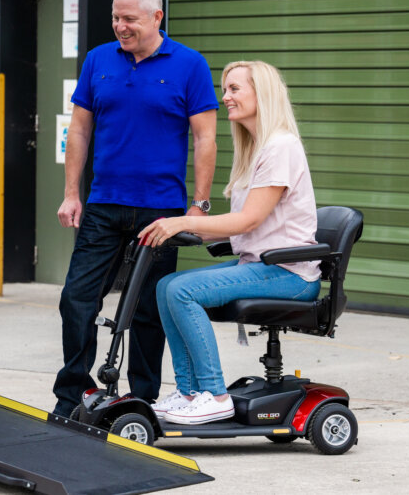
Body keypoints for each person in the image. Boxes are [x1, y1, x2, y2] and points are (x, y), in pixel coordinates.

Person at [53, 0, 219, 418]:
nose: (120, 27)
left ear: (156, 16)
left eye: (129, 19)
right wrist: (72, 194)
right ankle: (73, 394)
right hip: (105, 203)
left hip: (161, 210)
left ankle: (142, 398)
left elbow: (205, 139)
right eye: (115, 17)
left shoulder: (190, 64)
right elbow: (81, 129)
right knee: (77, 299)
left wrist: (198, 206)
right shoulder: (98, 61)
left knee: (149, 310)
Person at [137, 60, 321, 425]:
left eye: (235, 89)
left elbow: (249, 219)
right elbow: (244, 226)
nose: (226, 98)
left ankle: (214, 394)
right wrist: (177, 228)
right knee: (165, 286)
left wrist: (184, 221)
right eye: (226, 89)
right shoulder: (256, 148)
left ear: (261, 93)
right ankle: (189, 392)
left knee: (182, 291)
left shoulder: (280, 146)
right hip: (260, 265)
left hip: (288, 272)